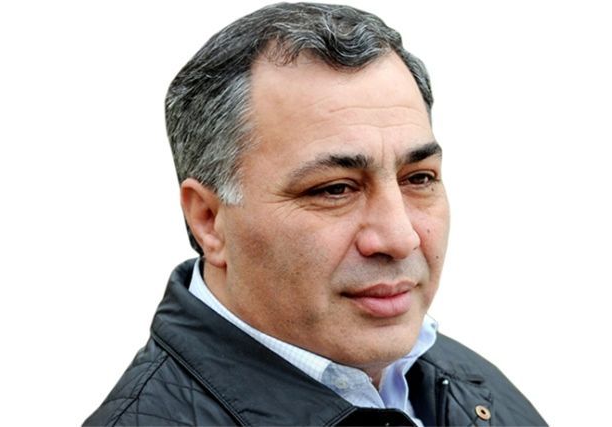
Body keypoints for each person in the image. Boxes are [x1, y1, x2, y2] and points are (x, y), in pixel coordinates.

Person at [85, 3, 546, 426]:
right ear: (209, 219)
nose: (400, 236)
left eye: (418, 178)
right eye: (334, 189)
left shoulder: (475, 390)